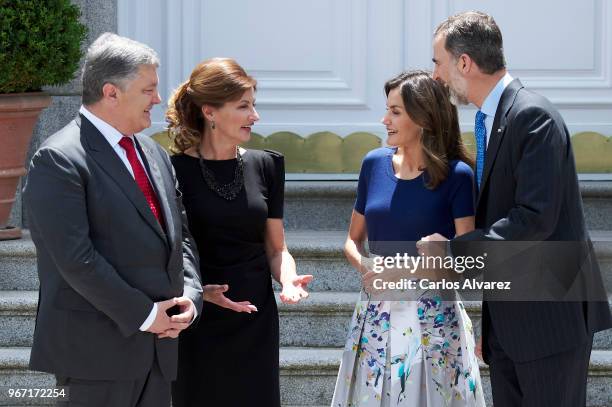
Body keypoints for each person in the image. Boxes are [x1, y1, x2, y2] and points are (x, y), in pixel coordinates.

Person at [422, 11, 612, 407]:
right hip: (511, 326)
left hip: (548, 323)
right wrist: (492, 327)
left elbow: (534, 219)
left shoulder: (532, 116)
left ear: (464, 63)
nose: (436, 75)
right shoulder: (493, 119)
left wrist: (453, 252)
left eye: (438, 62)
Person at [22, 33, 203, 407]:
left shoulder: (153, 152)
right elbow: (76, 259)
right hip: (94, 357)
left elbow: (180, 236)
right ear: (112, 92)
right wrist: (144, 314)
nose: (157, 99)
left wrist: (190, 294)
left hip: (158, 351)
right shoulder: (59, 159)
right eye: (149, 89)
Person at [331, 70, 486, 406]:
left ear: (424, 117)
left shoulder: (458, 176)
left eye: (396, 111)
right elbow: (352, 241)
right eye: (388, 109)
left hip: (434, 320)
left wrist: (401, 271)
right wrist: (367, 268)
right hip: (374, 315)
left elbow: (467, 264)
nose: (385, 119)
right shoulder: (373, 164)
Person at [166, 57, 313, 407]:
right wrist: (200, 292)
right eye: (243, 106)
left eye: (253, 105)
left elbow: (277, 248)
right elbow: (165, 250)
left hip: (255, 318)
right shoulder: (172, 170)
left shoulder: (266, 165)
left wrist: (288, 280)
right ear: (210, 112)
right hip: (198, 317)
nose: (255, 116)